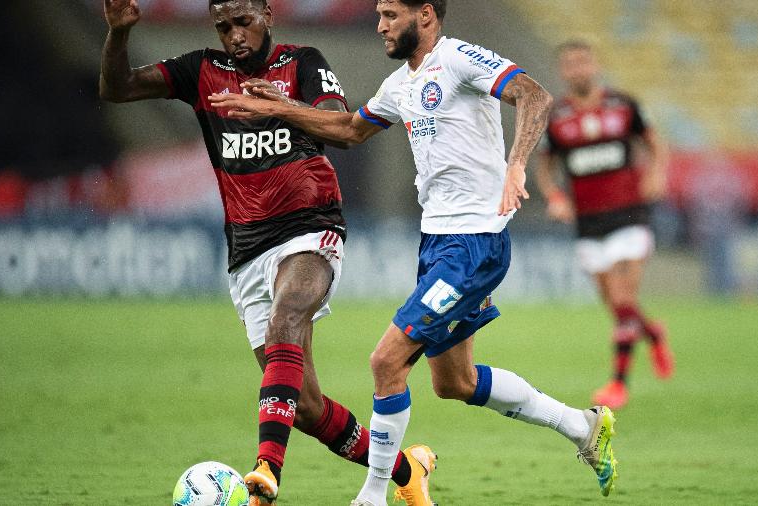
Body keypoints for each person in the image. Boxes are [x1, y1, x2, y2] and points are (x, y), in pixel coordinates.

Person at [209, 1, 619, 503]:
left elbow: (534, 96)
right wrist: (280, 108)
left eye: (389, 14)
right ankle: (582, 427)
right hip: (437, 243)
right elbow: (349, 131)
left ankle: (374, 494)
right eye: (378, 15)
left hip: (475, 245)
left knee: (386, 361)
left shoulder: (460, 59)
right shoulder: (400, 84)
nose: (379, 25)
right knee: (455, 382)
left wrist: (517, 165)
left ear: (424, 14)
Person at [99, 1, 434, 505]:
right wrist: (119, 34)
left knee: (287, 318)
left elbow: (337, 124)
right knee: (303, 405)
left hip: (309, 226)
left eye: (244, 22)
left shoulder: (304, 62)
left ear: (268, 16)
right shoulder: (201, 71)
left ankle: (264, 475)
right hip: (246, 249)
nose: (235, 35)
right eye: (224, 26)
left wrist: (278, 105)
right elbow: (116, 88)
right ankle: (407, 470)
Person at [534, 39, 675, 410]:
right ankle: (653, 332)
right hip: (588, 223)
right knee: (617, 305)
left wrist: (657, 173)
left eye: (583, 62)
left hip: (630, 216)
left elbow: (655, 143)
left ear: (594, 65)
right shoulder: (559, 117)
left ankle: (617, 384)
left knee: (624, 297)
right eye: (570, 64)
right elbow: (545, 166)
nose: (578, 69)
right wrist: (556, 197)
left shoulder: (624, 105)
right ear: (564, 72)